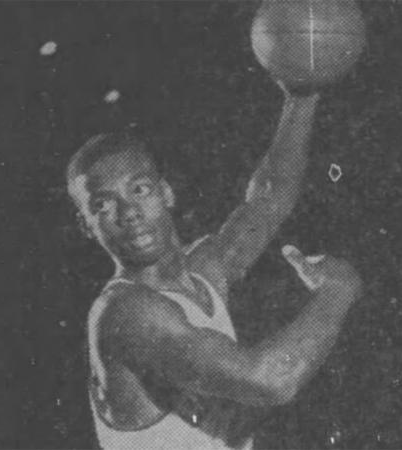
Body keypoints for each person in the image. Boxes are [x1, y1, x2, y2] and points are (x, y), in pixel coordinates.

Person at [66, 83, 363, 450]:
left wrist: (302, 95)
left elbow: (271, 197)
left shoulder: (205, 269)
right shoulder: (125, 313)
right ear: (86, 225)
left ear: (166, 192)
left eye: (139, 190)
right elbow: (270, 381)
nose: (129, 214)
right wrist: (337, 292)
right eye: (103, 205)